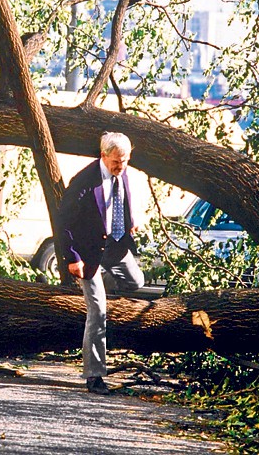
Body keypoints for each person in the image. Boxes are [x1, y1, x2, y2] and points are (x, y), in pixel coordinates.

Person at [57, 132, 145, 396]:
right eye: (117, 161)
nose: (121, 166)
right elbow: (63, 223)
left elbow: (123, 202)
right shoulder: (84, 181)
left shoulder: (124, 174)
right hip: (89, 254)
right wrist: (72, 258)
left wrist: (133, 221)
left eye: (125, 160)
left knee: (137, 282)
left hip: (116, 247)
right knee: (98, 313)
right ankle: (94, 376)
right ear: (103, 156)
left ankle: (98, 289)